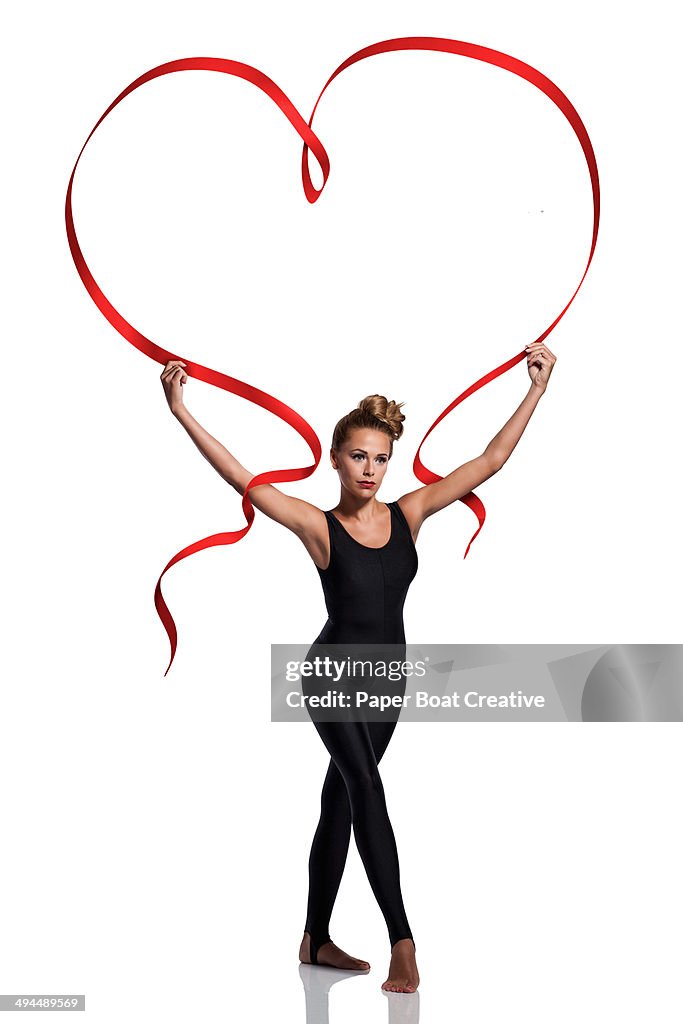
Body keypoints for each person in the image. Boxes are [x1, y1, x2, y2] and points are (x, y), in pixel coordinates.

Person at [159, 342, 556, 993]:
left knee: (341, 798)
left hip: (390, 681)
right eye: (357, 456)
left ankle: (314, 938)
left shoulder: (412, 512)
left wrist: (535, 389)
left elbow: (489, 460)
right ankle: (403, 941)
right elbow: (244, 478)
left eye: (380, 458)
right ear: (336, 459)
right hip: (330, 676)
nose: (369, 469)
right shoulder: (318, 526)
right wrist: (181, 411)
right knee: (366, 789)